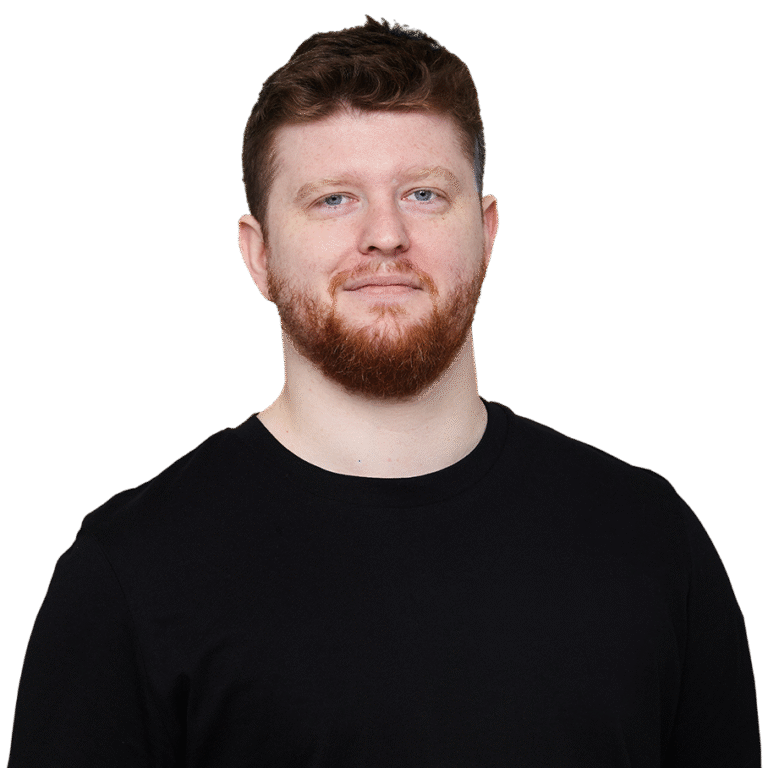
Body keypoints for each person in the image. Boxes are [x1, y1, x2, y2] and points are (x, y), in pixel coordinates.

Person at [8, 16, 761, 767]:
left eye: (424, 194)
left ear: (487, 233)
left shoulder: (650, 542)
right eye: (333, 199)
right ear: (258, 255)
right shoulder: (128, 573)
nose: (386, 235)